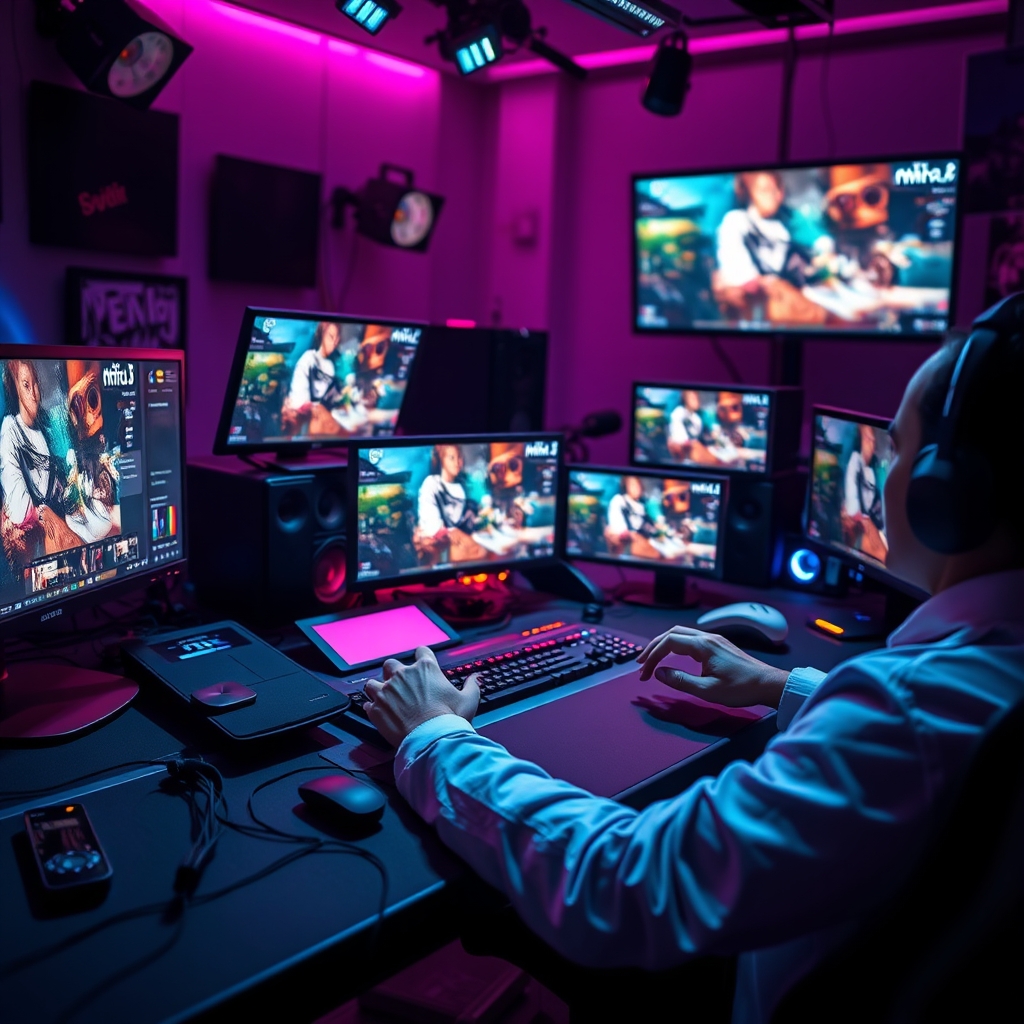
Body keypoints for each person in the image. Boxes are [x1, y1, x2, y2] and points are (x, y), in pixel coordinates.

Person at [362, 295, 1024, 1022]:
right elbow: (925, 741)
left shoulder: (908, 709)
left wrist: (435, 736)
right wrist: (781, 685)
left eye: (898, 448)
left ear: (945, 495)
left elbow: (626, 884)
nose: (885, 471)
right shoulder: (981, 679)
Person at [0, 359, 80, 565]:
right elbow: (18, 508)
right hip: (38, 538)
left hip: (59, 517)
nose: (34, 393)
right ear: (15, 389)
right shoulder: (10, 428)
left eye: (35, 383)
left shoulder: (43, 432)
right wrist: (44, 514)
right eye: (26, 385)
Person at [842, 421, 888, 561]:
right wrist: (862, 519)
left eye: (873, 440)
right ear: (859, 441)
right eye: (868, 439)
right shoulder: (854, 463)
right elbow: (852, 506)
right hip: (860, 524)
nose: (871, 444)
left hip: (872, 523)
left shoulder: (874, 470)